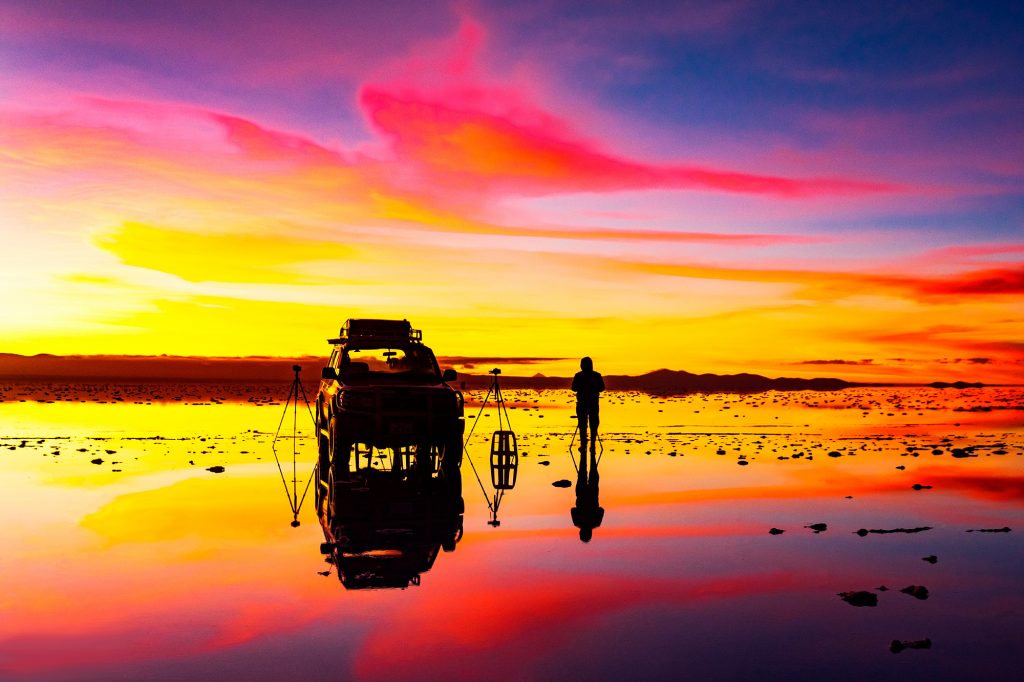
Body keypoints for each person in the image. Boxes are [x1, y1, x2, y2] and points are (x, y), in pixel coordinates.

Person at [571, 356, 604, 453]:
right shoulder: (596, 375)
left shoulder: (578, 376)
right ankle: (591, 445)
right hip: (592, 404)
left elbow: (573, 388)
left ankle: (584, 445)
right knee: (592, 424)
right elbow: (602, 388)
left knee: (583, 425)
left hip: (583, 404)